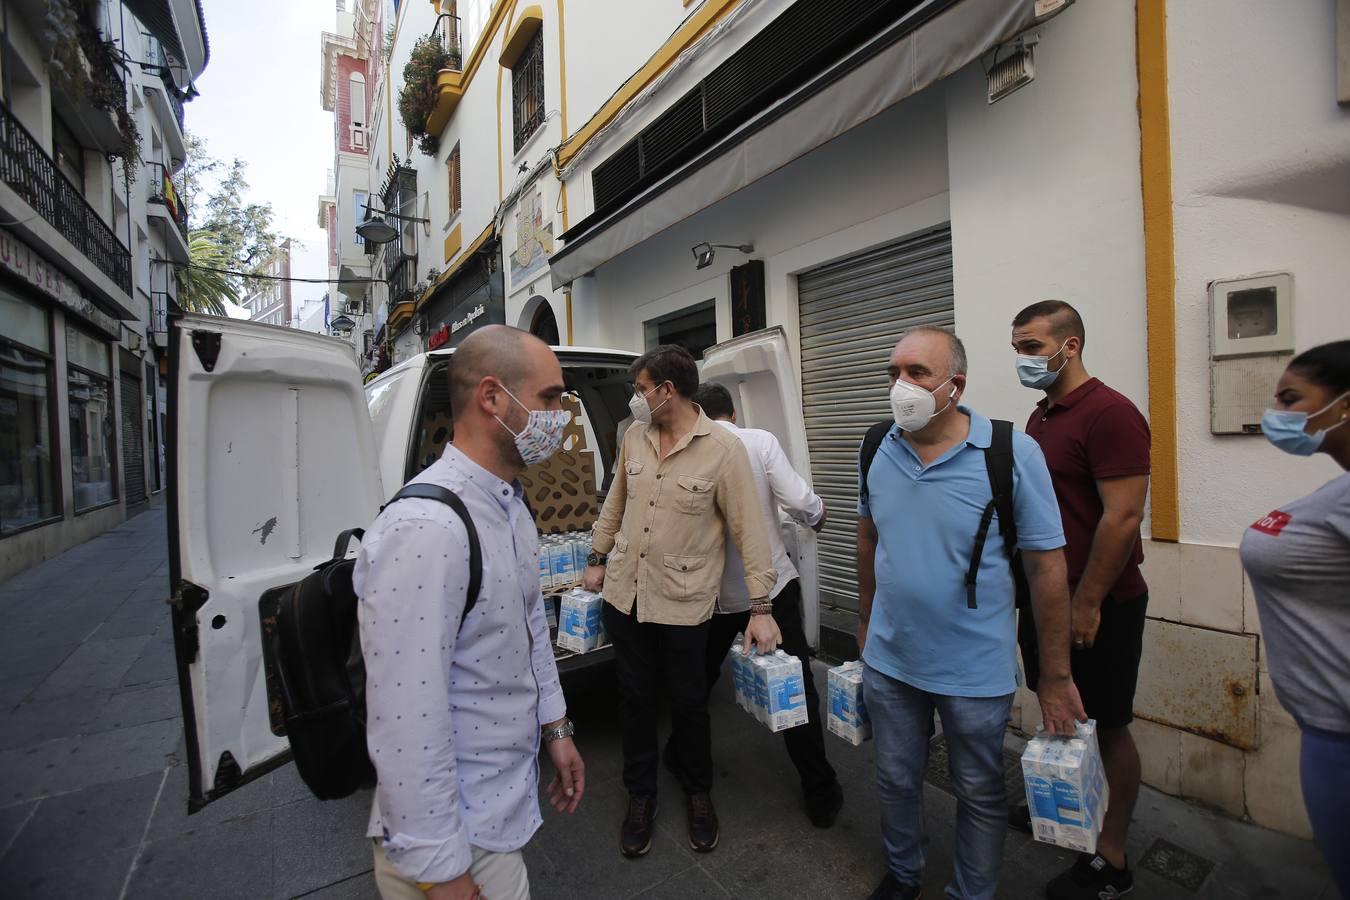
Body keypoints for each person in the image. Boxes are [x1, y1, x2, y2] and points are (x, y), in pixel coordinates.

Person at [355, 326, 586, 900]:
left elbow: (530, 628)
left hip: (496, 810)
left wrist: (555, 728)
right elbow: (405, 717)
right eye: (551, 399)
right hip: (458, 837)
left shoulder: (507, 505)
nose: (561, 417)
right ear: (492, 398)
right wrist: (442, 874)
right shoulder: (428, 529)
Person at [856, 326, 1084, 900]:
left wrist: (1054, 676)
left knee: (979, 791)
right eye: (894, 373)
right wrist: (863, 622)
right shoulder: (876, 444)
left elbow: (1047, 568)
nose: (900, 386)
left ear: (954, 385)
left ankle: (971, 894)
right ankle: (904, 875)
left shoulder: (1011, 452)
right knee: (894, 779)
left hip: (973, 673)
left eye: (916, 373)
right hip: (890, 661)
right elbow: (867, 538)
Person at [582, 344, 781, 858]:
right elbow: (615, 502)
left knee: (690, 704)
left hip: (685, 604)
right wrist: (597, 556)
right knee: (636, 701)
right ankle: (640, 796)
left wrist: (761, 609)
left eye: (640, 388)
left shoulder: (723, 449)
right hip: (627, 596)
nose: (636, 398)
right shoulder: (633, 437)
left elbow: (749, 530)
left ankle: (698, 793)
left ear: (667, 390)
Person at [1009, 300, 1151, 900]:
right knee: (1064, 711)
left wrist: (1088, 602)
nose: (1023, 359)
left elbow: (1121, 518)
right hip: (1046, 598)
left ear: (1069, 346)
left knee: (1109, 726)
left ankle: (1111, 856)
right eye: (1017, 347)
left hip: (1098, 599)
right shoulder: (1044, 415)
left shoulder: (1111, 413)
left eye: (1033, 348)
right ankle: (1068, 812)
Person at [682, 382, 843, 828]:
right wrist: (818, 515)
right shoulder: (758, 440)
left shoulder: (682, 447)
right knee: (794, 684)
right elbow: (799, 502)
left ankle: (680, 758)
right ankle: (819, 790)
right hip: (770, 589)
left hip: (710, 592)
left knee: (697, 680)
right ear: (732, 412)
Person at [1239, 340, 1350, 899]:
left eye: (1290, 398)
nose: (1277, 414)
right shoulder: (1338, 488)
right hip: (1327, 732)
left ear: (1344, 405)